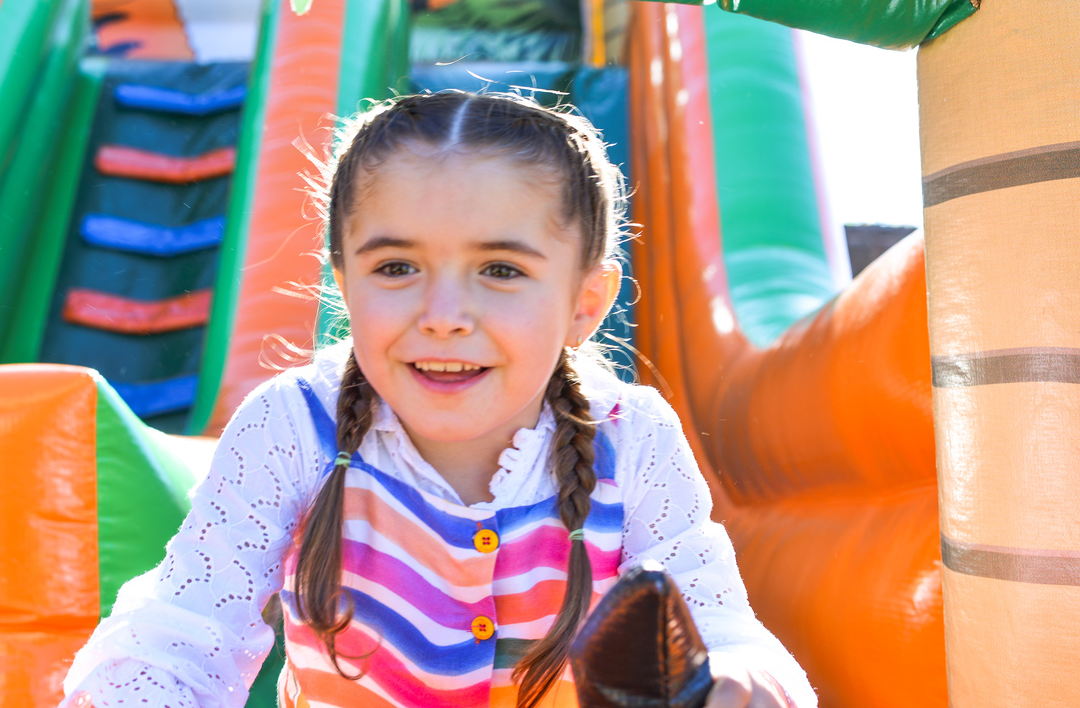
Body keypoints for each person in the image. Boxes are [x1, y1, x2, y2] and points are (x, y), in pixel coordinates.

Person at [60, 91, 817, 708]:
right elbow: (183, 626)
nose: (444, 314)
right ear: (343, 283)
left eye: (500, 270)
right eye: (395, 268)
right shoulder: (294, 426)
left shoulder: (633, 438)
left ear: (587, 301)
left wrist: (737, 681)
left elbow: (718, 622)